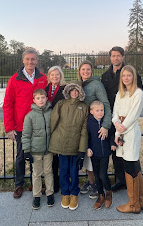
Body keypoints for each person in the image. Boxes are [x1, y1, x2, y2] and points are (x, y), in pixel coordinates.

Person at [3, 48, 47, 198]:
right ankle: (19, 184)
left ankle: (35, 183)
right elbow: (8, 104)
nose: (30, 62)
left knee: (37, 156)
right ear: (23, 60)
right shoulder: (14, 79)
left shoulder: (43, 78)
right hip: (21, 126)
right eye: (27, 59)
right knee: (21, 156)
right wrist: (9, 128)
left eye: (33, 59)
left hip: (39, 124)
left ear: (37, 61)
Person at [101, 46, 143, 192]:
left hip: (127, 120)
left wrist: (124, 123)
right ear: (110, 57)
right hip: (114, 117)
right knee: (116, 151)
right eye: (113, 56)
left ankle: (132, 182)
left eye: (118, 56)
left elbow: (140, 99)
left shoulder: (130, 73)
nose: (115, 58)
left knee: (130, 155)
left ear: (123, 56)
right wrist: (114, 120)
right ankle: (120, 179)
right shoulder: (106, 75)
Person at [112, 65, 143, 213]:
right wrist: (117, 127)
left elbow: (133, 115)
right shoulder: (120, 93)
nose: (126, 78)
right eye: (123, 76)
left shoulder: (138, 93)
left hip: (130, 132)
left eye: (129, 75)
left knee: (131, 164)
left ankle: (133, 204)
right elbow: (115, 112)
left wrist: (122, 127)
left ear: (133, 76)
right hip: (120, 130)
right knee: (133, 165)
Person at [49, 81, 89, 210]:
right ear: (68, 92)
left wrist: (82, 150)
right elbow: (53, 122)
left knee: (74, 171)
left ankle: (74, 193)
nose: (74, 93)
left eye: (77, 90)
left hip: (76, 144)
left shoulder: (84, 107)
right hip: (61, 143)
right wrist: (51, 143)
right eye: (72, 90)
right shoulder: (61, 104)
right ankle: (65, 193)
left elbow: (84, 130)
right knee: (64, 171)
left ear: (80, 92)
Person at [78, 60, 111, 199]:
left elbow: (106, 104)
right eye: (83, 69)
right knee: (87, 155)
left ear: (92, 71)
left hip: (95, 125)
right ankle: (91, 182)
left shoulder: (96, 84)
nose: (85, 72)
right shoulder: (78, 84)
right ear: (79, 71)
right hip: (84, 125)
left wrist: (106, 125)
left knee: (95, 157)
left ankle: (98, 185)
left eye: (88, 69)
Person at [22, 89, 54, 210]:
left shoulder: (51, 113)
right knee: (36, 174)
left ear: (46, 98)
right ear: (34, 100)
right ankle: (37, 195)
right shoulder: (30, 116)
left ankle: (50, 193)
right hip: (36, 150)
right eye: (38, 98)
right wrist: (26, 150)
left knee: (49, 172)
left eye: (43, 97)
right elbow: (26, 134)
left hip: (49, 150)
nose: (41, 100)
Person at [87, 101, 112, 210]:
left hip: (105, 152)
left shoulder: (106, 122)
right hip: (94, 153)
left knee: (103, 174)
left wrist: (113, 144)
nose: (100, 112)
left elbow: (111, 134)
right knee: (97, 175)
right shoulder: (89, 123)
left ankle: (108, 192)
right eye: (97, 110)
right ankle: (100, 195)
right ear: (92, 112)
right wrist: (87, 148)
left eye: (102, 110)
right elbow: (86, 137)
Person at [45, 66, 66, 193]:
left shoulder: (64, 89)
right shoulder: (46, 89)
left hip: (60, 124)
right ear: (49, 76)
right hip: (48, 124)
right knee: (51, 156)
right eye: (52, 75)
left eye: (57, 75)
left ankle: (61, 183)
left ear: (61, 76)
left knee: (59, 156)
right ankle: (52, 184)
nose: (55, 77)